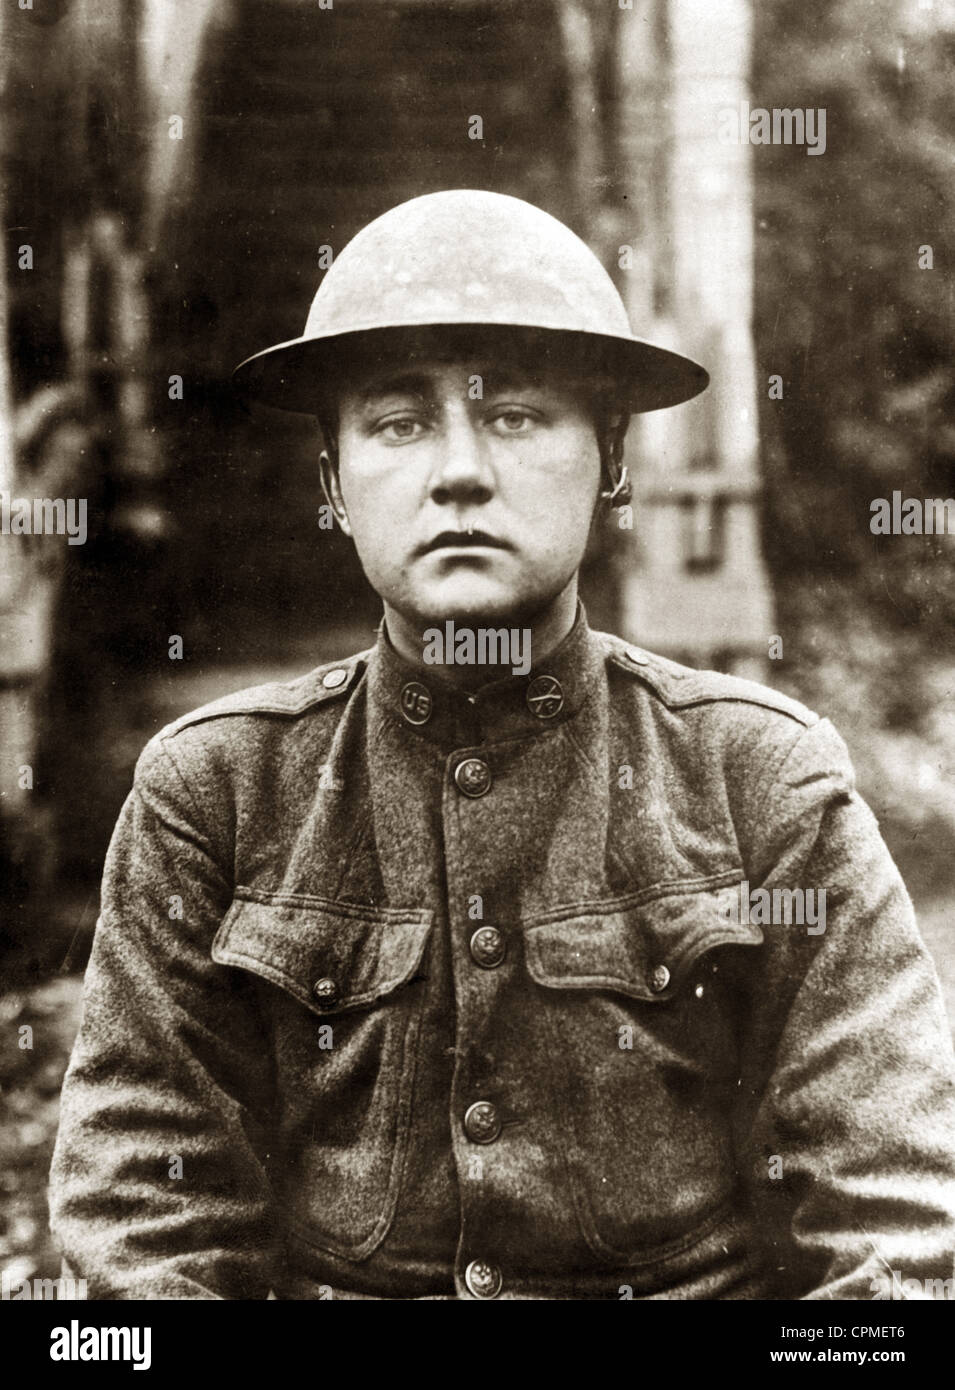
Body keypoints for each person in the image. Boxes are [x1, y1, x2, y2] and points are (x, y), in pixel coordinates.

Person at [49, 190, 955, 1300]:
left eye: (517, 413)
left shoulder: (760, 783)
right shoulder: (214, 797)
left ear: (611, 458)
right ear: (334, 484)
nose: (460, 471)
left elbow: (895, 1225)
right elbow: (146, 1222)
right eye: (397, 422)